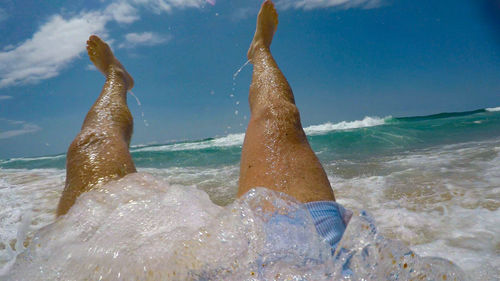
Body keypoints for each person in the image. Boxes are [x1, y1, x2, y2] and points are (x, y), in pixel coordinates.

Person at [57, 0, 349, 251]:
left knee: (90, 145)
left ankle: (115, 76)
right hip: (300, 254)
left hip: (104, 262)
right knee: (278, 116)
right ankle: (260, 50)